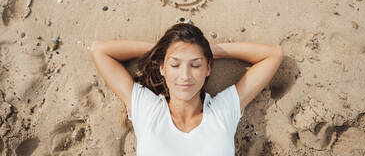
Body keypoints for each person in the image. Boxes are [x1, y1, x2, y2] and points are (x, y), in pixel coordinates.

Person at [89, 23, 283, 156]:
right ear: (162, 68)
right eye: (175, 65)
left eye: (195, 65)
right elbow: (100, 51)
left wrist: (208, 49)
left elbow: (273, 55)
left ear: (208, 68)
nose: (185, 76)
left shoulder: (222, 112)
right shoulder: (147, 110)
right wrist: (165, 50)